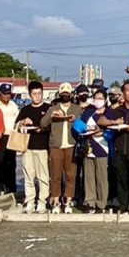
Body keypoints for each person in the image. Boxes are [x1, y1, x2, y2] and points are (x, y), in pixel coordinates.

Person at [98, 81, 129, 214]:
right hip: (119, 149)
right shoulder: (116, 110)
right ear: (123, 93)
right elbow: (101, 121)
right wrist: (113, 122)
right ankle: (123, 204)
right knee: (121, 177)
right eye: (127, 91)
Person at [41, 83, 82, 214]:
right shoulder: (53, 108)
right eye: (63, 93)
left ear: (71, 94)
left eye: (67, 93)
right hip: (56, 146)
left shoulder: (77, 109)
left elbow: (83, 126)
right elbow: (43, 124)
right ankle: (56, 202)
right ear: (59, 94)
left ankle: (68, 201)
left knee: (71, 175)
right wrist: (52, 115)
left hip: (71, 145)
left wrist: (76, 120)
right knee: (55, 175)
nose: (65, 95)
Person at [74, 88, 111, 214]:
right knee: (88, 177)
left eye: (101, 98)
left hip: (103, 148)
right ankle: (90, 202)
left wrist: (103, 133)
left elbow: (113, 131)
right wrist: (86, 129)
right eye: (96, 98)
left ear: (105, 100)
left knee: (101, 177)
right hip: (88, 148)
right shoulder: (88, 113)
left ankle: (101, 203)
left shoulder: (109, 113)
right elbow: (76, 127)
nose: (98, 101)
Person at [16, 81, 51, 213]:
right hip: (28, 147)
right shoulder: (26, 110)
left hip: (43, 146)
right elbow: (16, 126)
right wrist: (23, 122)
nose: (37, 96)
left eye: (39, 94)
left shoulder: (48, 108)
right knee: (29, 175)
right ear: (30, 95)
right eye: (34, 94)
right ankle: (30, 200)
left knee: (43, 176)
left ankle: (42, 201)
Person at [0, 83, 20, 198]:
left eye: (9, 94)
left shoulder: (13, 105)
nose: (7, 96)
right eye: (5, 94)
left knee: (11, 163)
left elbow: (17, 119)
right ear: (0, 94)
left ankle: (11, 188)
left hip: (11, 135)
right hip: (0, 136)